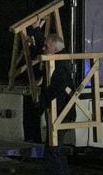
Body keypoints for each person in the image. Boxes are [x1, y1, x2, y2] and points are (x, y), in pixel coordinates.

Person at [40, 34, 76, 175]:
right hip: (60, 112)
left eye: (46, 47)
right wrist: (36, 31)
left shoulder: (60, 64)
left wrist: (43, 101)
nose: (44, 49)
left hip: (61, 113)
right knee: (55, 149)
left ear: (54, 49)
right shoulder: (57, 60)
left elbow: (57, 87)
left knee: (53, 150)